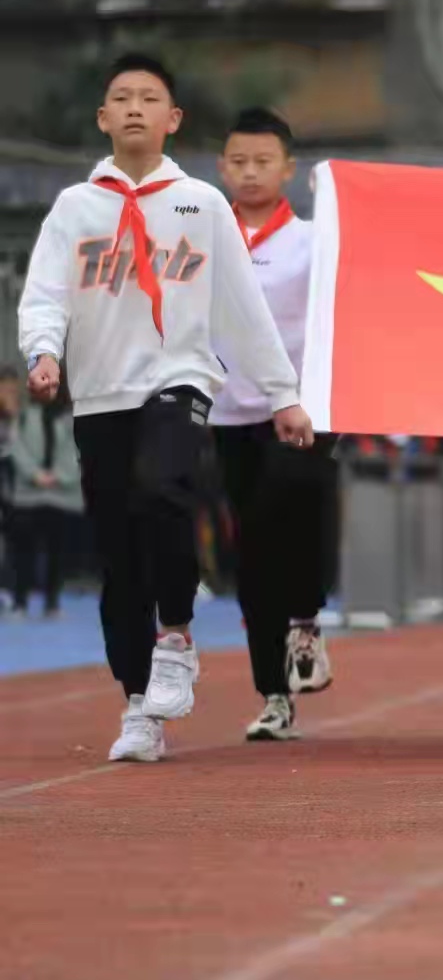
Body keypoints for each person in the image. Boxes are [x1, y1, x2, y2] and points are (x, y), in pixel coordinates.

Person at [17, 53, 312, 765]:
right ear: (103, 119)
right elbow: (45, 294)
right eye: (121, 98)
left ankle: (176, 634)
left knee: (164, 489)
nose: (135, 108)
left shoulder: (202, 205)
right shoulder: (74, 208)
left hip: (178, 379)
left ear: (172, 119)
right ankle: (136, 705)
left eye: (150, 97)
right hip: (99, 392)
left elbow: (241, 307)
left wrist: (283, 395)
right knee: (120, 556)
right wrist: (42, 352)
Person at [206, 108, 341, 742]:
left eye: (264, 162)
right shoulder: (204, 240)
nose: (251, 172)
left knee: (296, 504)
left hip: (302, 409)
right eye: (239, 161)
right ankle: (273, 695)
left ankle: (307, 619)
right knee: (252, 552)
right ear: (220, 168)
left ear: (289, 169)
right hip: (227, 412)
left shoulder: (315, 241)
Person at [8, 375, 84, 619]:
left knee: (57, 553)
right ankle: (20, 603)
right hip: (27, 496)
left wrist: (58, 477)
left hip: (62, 497)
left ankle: (52, 603)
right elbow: (15, 448)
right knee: (23, 553)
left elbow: (77, 453)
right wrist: (35, 475)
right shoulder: (21, 418)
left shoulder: (72, 420)